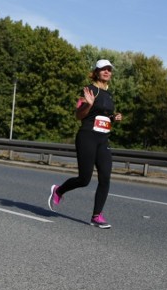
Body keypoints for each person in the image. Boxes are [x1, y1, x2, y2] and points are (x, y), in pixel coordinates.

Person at [47, 59, 123, 228]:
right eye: (103, 69)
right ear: (96, 72)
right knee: (84, 179)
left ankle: (97, 216)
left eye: (109, 69)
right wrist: (88, 104)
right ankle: (59, 190)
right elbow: (79, 116)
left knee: (105, 177)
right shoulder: (89, 90)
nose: (107, 72)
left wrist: (113, 118)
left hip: (103, 140)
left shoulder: (109, 94)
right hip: (87, 137)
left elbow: (101, 116)